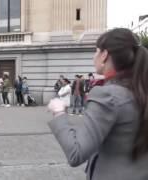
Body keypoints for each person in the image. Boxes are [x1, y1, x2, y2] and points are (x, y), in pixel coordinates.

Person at [47, 28, 148, 180]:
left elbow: (76, 153)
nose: (93, 56)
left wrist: (59, 113)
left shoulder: (107, 95)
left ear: (104, 55)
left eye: (95, 51)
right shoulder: (141, 89)